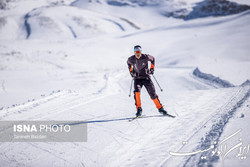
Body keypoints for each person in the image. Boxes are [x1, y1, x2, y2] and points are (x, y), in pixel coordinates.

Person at [127, 45, 167, 117]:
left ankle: (160, 108)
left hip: (146, 77)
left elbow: (153, 59)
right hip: (137, 78)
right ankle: (139, 109)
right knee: (137, 92)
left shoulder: (146, 57)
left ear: (141, 52)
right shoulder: (131, 59)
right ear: (134, 52)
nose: (137, 53)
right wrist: (131, 72)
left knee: (152, 93)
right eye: (136, 52)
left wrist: (152, 68)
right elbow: (128, 63)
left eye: (139, 52)